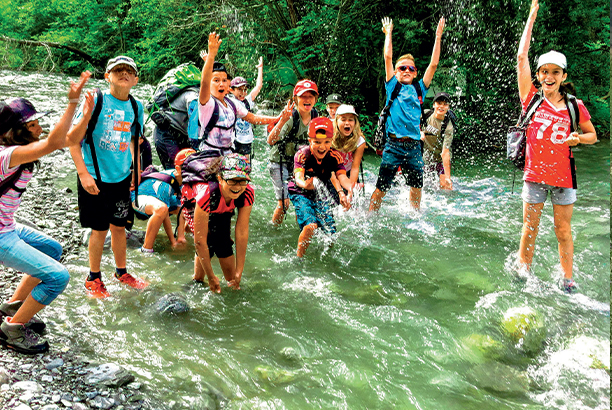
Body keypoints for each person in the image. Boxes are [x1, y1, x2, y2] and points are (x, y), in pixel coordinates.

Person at [0, 72, 90, 354]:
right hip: (1, 236)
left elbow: (64, 140)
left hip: (7, 227)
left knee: (53, 248)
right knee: (58, 277)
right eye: (34, 124)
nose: (39, 128)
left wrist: (84, 113)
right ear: (16, 131)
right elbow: (53, 142)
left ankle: (13, 308)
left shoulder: (20, 151)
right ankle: (11, 330)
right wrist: (72, 103)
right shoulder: (9, 155)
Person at [516, 0, 596, 293]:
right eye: (543, 72)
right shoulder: (531, 98)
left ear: (563, 76)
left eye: (554, 72)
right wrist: (532, 14)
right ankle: (523, 271)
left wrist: (579, 138)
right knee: (530, 228)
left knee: (562, 230)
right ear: (538, 75)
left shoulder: (576, 106)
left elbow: (592, 136)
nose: (548, 77)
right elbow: (522, 55)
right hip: (534, 175)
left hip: (564, 178)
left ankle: (567, 278)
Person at [68, 55, 149, 298]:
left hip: (121, 178)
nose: (124, 74)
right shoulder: (96, 101)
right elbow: (72, 140)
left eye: (129, 71)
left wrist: (135, 171)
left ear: (135, 79)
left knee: (119, 227)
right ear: (107, 76)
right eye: (118, 70)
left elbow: (135, 139)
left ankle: (121, 272)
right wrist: (83, 175)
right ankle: (93, 277)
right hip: (94, 177)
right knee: (99, 229)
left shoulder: (136, 106)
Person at [369, 16, 445, 212]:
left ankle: (414, 218)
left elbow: (433, 65)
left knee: (416, 188)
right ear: (395, 72)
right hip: (393, 145)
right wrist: (389, 33)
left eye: (411, 68)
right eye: (402, 68)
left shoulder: (420, 89)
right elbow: (387, 57)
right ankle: (370, 216)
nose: (406, 70)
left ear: (415, 73)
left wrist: (438, 37)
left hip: (413, 148)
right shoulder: (392, 86)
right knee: (381, 187)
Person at [181, 153, 254, 293]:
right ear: (220, 179)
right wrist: (211, 276)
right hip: (194, 202)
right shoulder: (206, 195)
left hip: (221, 206)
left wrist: (239, 271)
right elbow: (199, 241)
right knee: (207, 241)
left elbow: (242, 232)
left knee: (223, 242)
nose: (237, 186)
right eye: (232, 180)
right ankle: (197, 280)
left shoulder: (247, 193)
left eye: (242, 181)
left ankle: (230, 282)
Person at [196, 33, 278, 157]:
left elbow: (254, 118)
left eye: (224, 80)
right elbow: (204, 81)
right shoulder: (207, 103)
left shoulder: (232, 104)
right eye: (216, 80)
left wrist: (278, 118)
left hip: (229, 157)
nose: (221, 84)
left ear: (228, 85)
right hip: (209, 157)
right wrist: (211, 57)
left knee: (245, 175)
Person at [288, 117, 353, 257]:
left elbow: (341, 177)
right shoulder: (302, 155)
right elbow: (298, 177)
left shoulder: (335, 156)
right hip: (300, 191)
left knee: (331, 231)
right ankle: (298, 259)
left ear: (332, 141)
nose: (322, 147)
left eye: (326, 142)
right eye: (317, 142)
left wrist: (349, 190)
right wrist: (305, 184)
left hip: (319, 190)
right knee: (311, 226)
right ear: (309, 140)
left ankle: (328, 260)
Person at [267, 79, 319, 225]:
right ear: (295, 99)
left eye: (311, 96)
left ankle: (302, 231)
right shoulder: (290, 118)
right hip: (279, 162)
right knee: (284, 204)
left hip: (299, 165)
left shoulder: (316, 118)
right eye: (303, 96)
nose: (307, 100)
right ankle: (273, 229)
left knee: (301, 203)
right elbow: (270, 141)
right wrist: (282, 121)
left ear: (316, 99)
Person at [132, 167, 186, 253]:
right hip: (138, 197)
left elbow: (182, 209)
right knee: (162, 208)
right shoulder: (165, 185)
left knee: (185, 206)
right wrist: (172, 242)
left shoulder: (183, 181)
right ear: (178, 169)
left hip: (157, 199)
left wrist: (180, 237)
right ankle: (146, 249)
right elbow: (165, 214)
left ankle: (184, 235)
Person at [228, 56, 264, 160]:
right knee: (232, 166)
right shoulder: (229, 102)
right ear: (231, 90)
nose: (243, 93)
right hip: (234, 140)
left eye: (245, 90)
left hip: (247, 140)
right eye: (239, 90)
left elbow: (258, 87)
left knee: (246, 167)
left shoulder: (247, 101)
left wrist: (260, 69)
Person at [421, 92, 454, 190]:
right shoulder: (424, 115)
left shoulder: (448, 126)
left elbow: (445, 153)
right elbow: (410, 125)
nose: (442, 106)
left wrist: (448, 177)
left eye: (445, 104)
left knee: (445, 186)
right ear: (434, 104)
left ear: (448, 107)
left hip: (440, 159)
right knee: (421, 185)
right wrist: (419, 132)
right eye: (439, 103)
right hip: (426, 156)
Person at [332, 104, 366, 190]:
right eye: (343, 119)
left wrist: (350, 189)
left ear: (355, 123)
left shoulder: (360, 141)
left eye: (351, 120)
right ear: (336, 122)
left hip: (348, 172)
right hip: (332, 172)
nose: (347, 123)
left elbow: (355, 168)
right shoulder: (329, 137)